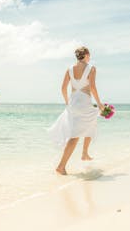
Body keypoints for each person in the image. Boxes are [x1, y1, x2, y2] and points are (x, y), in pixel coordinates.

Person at [48, 46, 104, 175]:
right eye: (89, 54)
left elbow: (63, 88)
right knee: (75, 136)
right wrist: (99, 104)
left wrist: (67, 102)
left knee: (91, 122)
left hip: (73, 102)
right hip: (84, 102)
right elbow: (93, 87)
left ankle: (84, 153)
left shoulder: (69, 69)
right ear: (86, 55)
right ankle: (61, 166)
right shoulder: (91, 68)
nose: (90, 57)